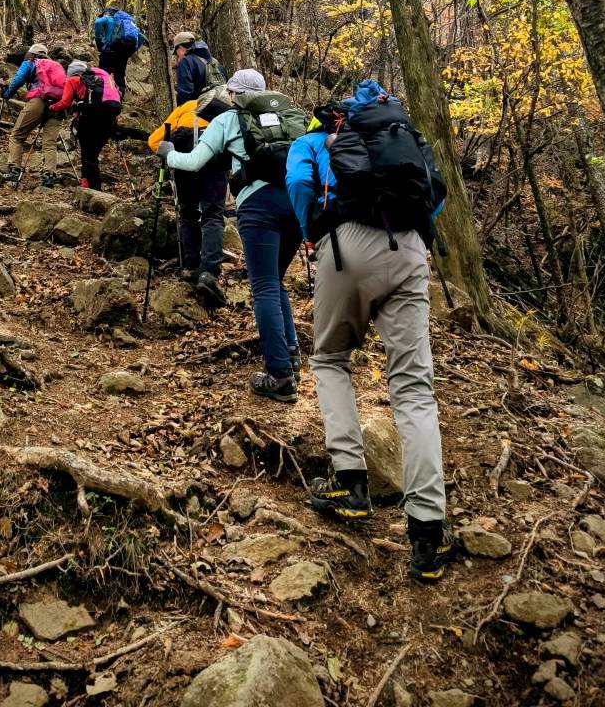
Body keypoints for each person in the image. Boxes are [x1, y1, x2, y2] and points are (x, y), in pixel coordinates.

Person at [285, 79, 454, 583]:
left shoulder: (318, 138)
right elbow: (436, 196)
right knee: (413, 388)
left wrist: (311, 230)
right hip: (409, 251)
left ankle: (352, 484)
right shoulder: (410, 140)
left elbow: (298, 185)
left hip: (347, 245)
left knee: (331, 358)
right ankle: (427, 532)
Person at [157, 68, 304, 401]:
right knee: (276, 280)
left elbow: (194, 161)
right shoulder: (289, 118)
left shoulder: (229, 120)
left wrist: (168, 155)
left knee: (264, 285)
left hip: (258, 207)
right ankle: (291, 354)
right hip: (296, 202)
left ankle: (279, 375)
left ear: (235, 94)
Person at [147, 85, 232, 309]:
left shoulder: (185, 108)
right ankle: (210, 272)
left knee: (187, 213)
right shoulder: (226, 114)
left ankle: (190, 266)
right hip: (215, 162)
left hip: (183, 156)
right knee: (213, 214)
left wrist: (170, 154)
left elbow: (154, 141)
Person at [0, 44, 67, 187]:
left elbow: (18, 79)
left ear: (31, 53)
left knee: (17, 136)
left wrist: (7, 94)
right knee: (50, 142)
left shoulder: (31, 63)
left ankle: (14, 171)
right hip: (58, 105)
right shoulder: (57, 66)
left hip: (38, 100)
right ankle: (49, 175)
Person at [49, 60, 122, 190]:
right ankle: (87, 186)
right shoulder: (101, 82)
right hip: (109, 120)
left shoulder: (73, 81)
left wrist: (51, 107)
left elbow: (65, 102)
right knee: (92, 155)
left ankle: (95, 189)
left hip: (89, 120)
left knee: (87, 155)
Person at [93, 7, 147, 98]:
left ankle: (103, 101)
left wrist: (100, 43)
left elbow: (97, 22)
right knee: (119, 77)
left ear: (107, 13)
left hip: (108, 52)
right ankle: (118, 102)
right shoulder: (129, 24)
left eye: (103, 14)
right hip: (123, 54)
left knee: (103, 75)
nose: (103, 16)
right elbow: (142, 37)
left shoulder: (109, 18)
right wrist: (130, 52)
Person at [172, 32, 225, 105]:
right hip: (221, 112)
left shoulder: (186, 62)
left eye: (176, 53)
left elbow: (185, 96)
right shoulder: (216, 63)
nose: (177, 56)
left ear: (181, 47)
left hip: (199, 112)